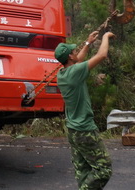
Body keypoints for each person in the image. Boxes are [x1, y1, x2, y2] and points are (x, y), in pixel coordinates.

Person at [55, 30, 116, 190]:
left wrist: (88, 43)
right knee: (103, 169)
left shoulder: (62, 73)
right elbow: (102, 55)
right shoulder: (75, 72)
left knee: (83, 170)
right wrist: (105, 37)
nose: (76, 52)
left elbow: (78, 59)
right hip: (84, 130)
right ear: (69, 57)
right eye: (74, 51)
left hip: (73, 130)